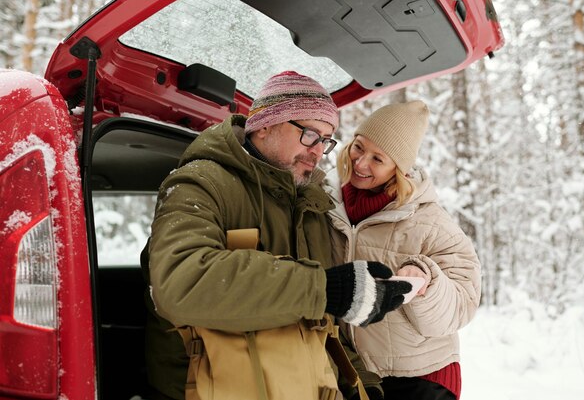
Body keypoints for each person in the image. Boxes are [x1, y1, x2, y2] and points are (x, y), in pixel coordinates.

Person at [140, 71, 411, 400]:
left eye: (326, 140)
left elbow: (321, 318)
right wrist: (323, 288)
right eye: (310, 134)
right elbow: (179, 283)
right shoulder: (200, 183)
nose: (318, 151)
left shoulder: (310, 205)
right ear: (264, 125)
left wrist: (359, 381)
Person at [325, 100, 481, 400]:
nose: (360, 163)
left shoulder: (430, 222)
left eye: (378, 158)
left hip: (419, 378)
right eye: (358, 147)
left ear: (399, 168)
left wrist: (427, 282)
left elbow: (463, 303)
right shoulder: (327, 203)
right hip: (353, 373)